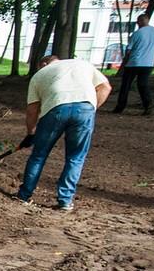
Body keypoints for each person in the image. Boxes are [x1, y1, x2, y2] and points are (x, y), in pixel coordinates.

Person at [14, 55, 111, 212]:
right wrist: (90, 109)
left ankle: (24, 195)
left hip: (55, 110)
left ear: (43, 64)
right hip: (84, 109)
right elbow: (105, 88)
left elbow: (32, 109)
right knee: (76, 157)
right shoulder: (82, 64)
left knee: (38, 156)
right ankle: (65, 201)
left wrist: (31, 132)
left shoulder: (40, 74)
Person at [113, 14, 154, 115]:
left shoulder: (137, 33)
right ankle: (148, 105)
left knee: (126, 85)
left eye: (138, 22)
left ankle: (120, 106)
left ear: (139, 21)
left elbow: (129, 49)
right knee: (143, 85)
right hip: (148, 63)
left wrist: (125, 61)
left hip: (134, 62)